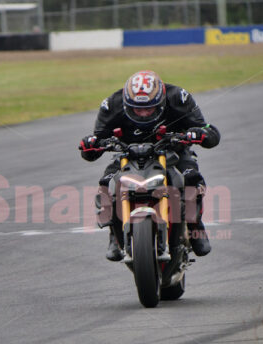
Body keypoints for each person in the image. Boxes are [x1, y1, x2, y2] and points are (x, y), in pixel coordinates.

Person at [79, 70, 221, 261]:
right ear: (127, 104)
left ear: (161, 102)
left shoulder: (179, 97)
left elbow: (210, 133)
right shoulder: (111, 104)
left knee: (191, 178)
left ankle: (195, 226)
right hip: (127, 153)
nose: (144, 114)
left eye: (149, 109)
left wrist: (197, 134)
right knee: (106, 183)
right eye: (138, 109)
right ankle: (114, 234)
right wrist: (91, 145)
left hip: (174, 152)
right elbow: (94, 147)